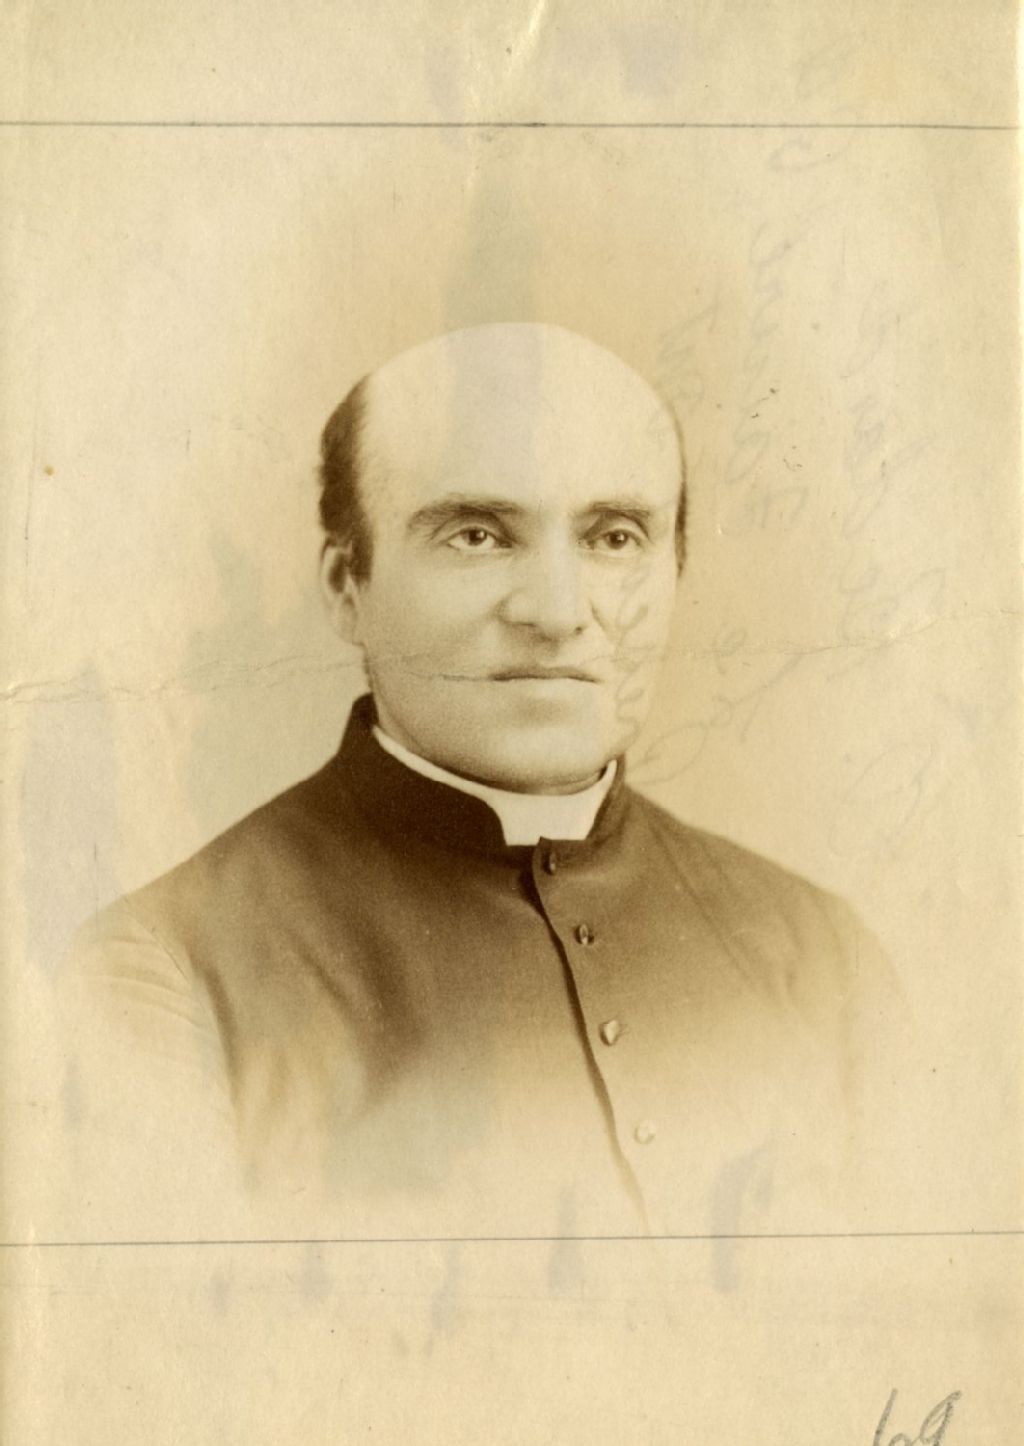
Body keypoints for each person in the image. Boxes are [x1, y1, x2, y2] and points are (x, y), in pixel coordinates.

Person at [60, 323, 897, 1240]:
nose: (557, 612)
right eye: (477, 536)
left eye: (614, 537)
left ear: (675, 570)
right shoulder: (161, 978)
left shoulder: (826, 960)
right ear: (346, 586)